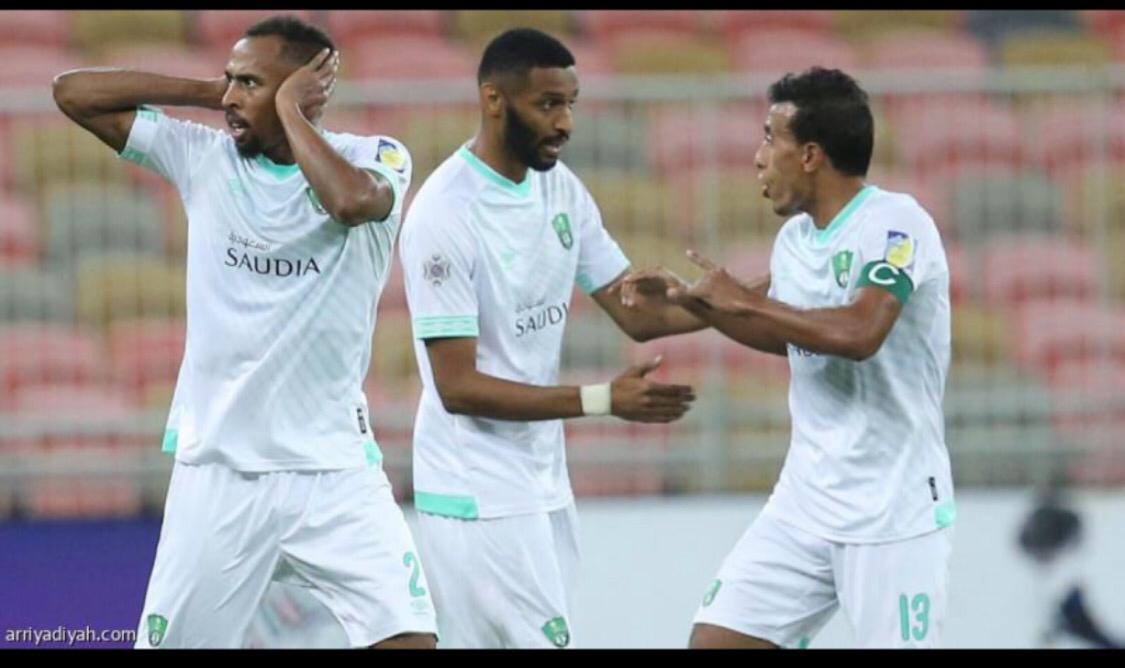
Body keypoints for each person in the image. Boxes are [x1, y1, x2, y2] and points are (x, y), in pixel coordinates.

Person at [53, 15, 436, 649]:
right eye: (233, 80)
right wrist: (216, 91)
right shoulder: (203, 158)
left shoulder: (378, 157)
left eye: (252, 82)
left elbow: (349, 204)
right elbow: (72, 93)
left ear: (309, 92)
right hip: (220, 471)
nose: (234, 97)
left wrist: (284, 110)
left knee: (411, 640)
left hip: (334, 471)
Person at [624, 67, 955, 649]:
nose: (757, 157)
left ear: (809, 155)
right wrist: (691, 298)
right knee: (715, 642)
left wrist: (739, 301)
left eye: (768, 138)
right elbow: (784, 332)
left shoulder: (897, 225)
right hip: (806, 502)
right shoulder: (797, 240)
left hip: (893, 511)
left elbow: (859, 332)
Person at [398, 28, 704, 649]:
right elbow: (457, 387)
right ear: (493, 99)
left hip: (540, 481)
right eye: (547, 105)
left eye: (571, 103)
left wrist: (739, 300)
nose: (564, 122)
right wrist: (601, 401)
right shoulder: (444, 213)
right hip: (475, 494)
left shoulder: (558, 187)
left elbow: (637, 313)